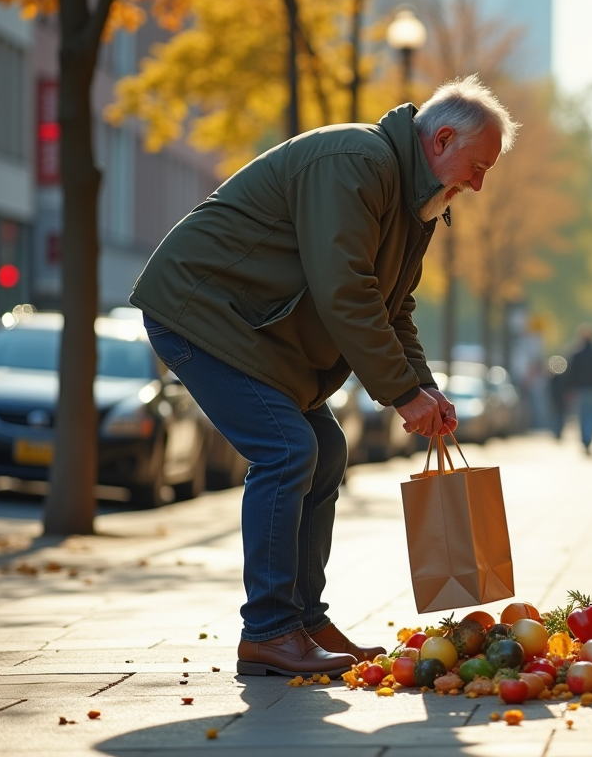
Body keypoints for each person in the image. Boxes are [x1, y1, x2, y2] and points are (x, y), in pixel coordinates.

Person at [129, 76, 518, 678]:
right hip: (201, 311)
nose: (479, 183)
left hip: (256, 331)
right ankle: (269, 631)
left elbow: (394, 308)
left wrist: (423, 386)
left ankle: (305, 622)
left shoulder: (414, 200)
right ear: (442, 139)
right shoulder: (358, 162)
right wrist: (402, 393)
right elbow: (346, 291)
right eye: (478, 166)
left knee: (327, 449)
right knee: (288, 449)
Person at [565, 325, 592, 455]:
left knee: (582, 415)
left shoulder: (576, 355)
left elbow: (571, 373)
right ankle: (589, 438)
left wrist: (569, 389)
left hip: (580, 389)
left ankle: (585, 439)